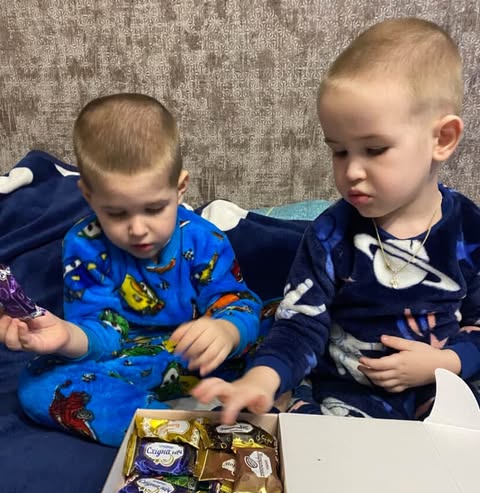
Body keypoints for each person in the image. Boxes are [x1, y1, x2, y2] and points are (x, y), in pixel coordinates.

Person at [193, 17, 480, 424]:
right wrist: (261, 379)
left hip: (440, 396)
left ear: (442, 139)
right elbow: (298, 327)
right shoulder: (330, 234)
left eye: (374, 150)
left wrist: (445, 363)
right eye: (339, 151)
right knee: (284, 429)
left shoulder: (469, 229)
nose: (352, 172)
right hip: (345, 401)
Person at [0, 93, 262, 445]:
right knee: (38, 384)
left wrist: (226, 330)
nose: (138, 230)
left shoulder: (204, 239)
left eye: (154, 209)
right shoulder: (84, 245)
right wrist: (66, 336)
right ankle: (174, 430)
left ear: (180, 188)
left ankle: (215, 406)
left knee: (278, 326)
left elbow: (238, 302)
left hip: (202, 357)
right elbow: (103, 332)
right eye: (116, 213)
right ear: (89, 196)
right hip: (130, 360)